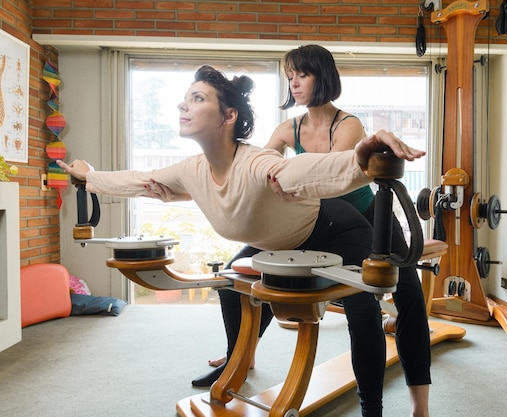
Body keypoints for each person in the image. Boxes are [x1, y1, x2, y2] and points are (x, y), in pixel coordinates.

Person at [58, 64, 425, 417]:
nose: (182, 104)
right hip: (283, 241)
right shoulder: (192, 169)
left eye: (198, 98)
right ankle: (237, 363)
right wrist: (89, 177)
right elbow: (141, 180)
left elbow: (301, 170)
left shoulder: (257, 162)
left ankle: (372, 410)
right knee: (232, 285)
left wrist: (359, 158)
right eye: (185, 98)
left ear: (228, 115)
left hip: (340, 229)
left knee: (362, 314)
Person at [199, 45, 432, 417]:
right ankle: (238, 359)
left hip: (370, 222)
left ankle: (415, 405)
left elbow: (332, 182)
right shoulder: (288, 128)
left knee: (402, 299)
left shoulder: (348, 125)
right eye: (290, 76)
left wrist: (288, 178)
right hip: (319, 224)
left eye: (301, 75)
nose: (294, 83)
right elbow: (258, 166)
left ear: (322, 77)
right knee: (232, 279)